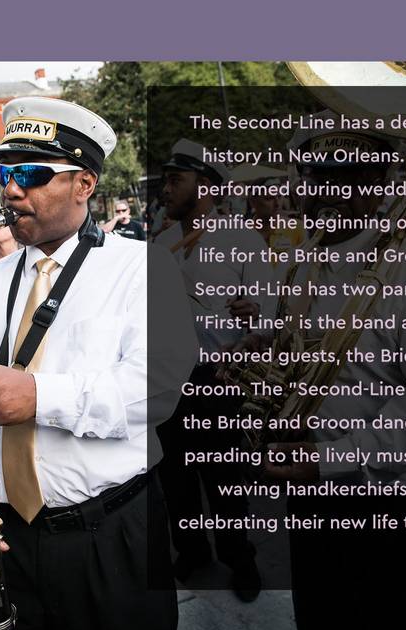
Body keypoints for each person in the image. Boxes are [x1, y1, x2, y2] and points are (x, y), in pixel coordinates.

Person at [0, 96, 195, 630]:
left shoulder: (141, 266)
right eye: (6, 171)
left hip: (112, 533)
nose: (11, 189)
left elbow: (156, 389)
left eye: (32, 173)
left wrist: (37, 397)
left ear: (84, 184)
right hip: (9, 535)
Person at [250, 122, 406, 630]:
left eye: (350, 179)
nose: (329, 194)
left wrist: (327, 458)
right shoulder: (301, 268)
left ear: (378, 187)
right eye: (316, 179)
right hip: (321, 491)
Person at [152, 139, 272, 599]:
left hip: (219, 378)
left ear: (204, 187)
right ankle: (193, 549)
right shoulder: (161, 244)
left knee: (224, 478)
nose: (166, 188)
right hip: (169, 379)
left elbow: (271, 312)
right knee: (176, 476)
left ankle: (238, 557)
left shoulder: (242, 240)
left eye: (174, 180)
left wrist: (255, 315)